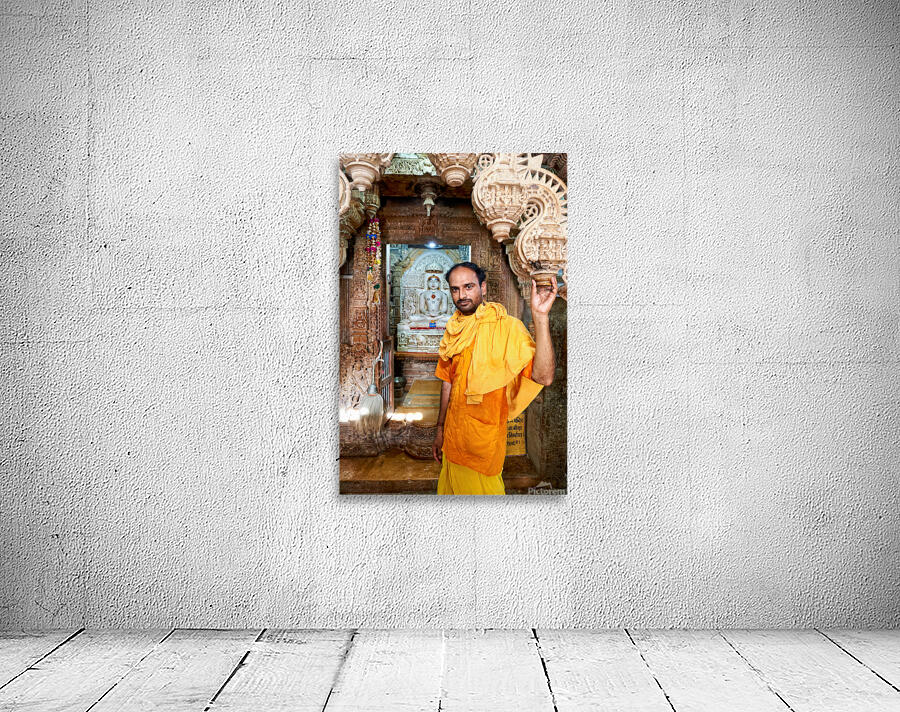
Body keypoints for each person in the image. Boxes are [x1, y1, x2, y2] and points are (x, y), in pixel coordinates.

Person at [432, 261, 557, 495]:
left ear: (483, 287)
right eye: (455, 289)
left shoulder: (508, 327)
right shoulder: (453, 329)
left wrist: (541, 318)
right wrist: (439, 430)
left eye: (468, 287)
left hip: (482, 443)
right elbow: (447, 382)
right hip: (452, 437)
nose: (461, 295)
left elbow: (544, 377)